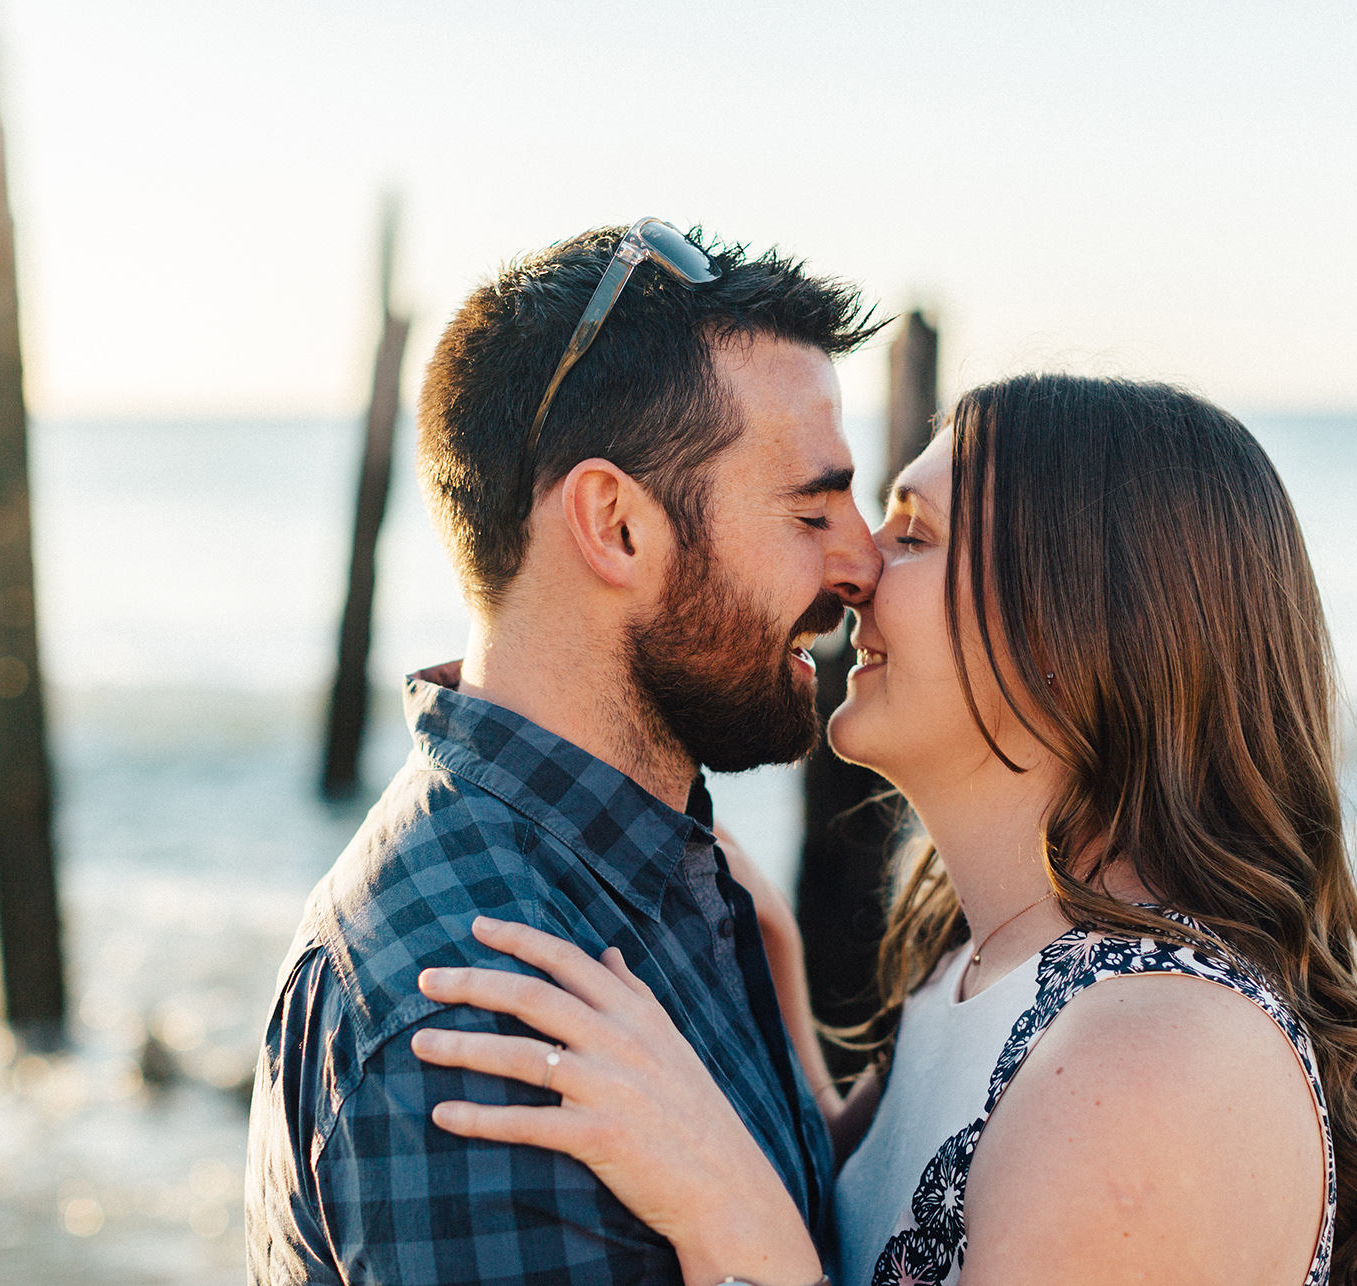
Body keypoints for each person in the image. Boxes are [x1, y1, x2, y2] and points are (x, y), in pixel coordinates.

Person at [409, 374, 1357, 1286]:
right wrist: (783, 1014)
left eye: (913, 534)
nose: (853, 571)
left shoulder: (1151, 1064)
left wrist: (732, 1212)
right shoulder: (973, 969)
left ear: (1071, 629)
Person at [244, 220, 886, 1285]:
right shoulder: (476, 1009)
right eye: (812, 508)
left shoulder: (658, 871)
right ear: (617, 525)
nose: (861, 559)